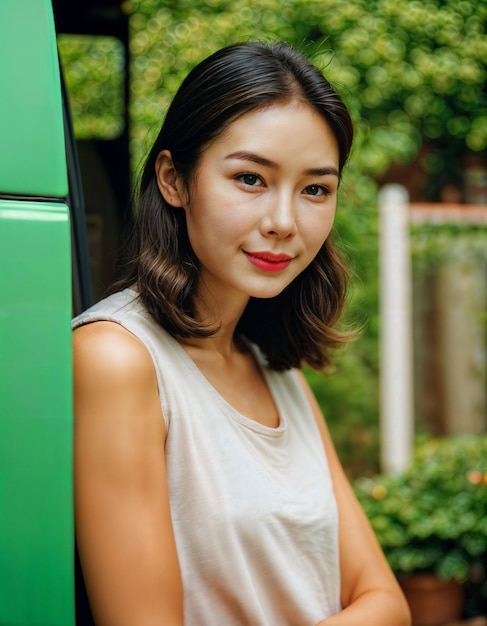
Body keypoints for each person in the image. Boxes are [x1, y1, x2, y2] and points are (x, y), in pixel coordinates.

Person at [72, 41, 411, 626]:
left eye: (314, 189)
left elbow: (389, 605)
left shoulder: (280, 376)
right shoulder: (116, 359)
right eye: (251, 178)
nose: (283, 222)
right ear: (175, 180)